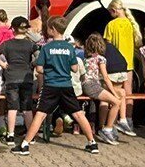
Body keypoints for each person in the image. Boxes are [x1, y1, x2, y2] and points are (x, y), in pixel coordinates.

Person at [15, 16, 98, 156]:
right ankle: (93, 143)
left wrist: (49, 69)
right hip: (66, 85)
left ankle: (25, 145)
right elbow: (75, 68)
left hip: (51, 86)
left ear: (53, 30)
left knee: (40, 114)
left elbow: (39, 69)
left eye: (48, 28)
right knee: (78, 113)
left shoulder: (47, 48)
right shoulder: (69, 47)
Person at [0, 16, 37, 147]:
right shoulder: (31, 44)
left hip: (11, 78)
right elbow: (38, 58)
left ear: (13, 29)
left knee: (12, 108)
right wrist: (32, 65)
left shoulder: (7, 44)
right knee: (27, 109)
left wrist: (4, 65)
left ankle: (10, 135)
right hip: (26, 79)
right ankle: (30, 136)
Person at [103, 0, 141, 136]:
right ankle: (128, 120)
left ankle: (112, 122)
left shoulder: (111, 25)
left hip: (115, 64)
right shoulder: (131, 24)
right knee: (128, 92)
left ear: (114, 11)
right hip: (128, 63)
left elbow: (107, 44)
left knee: (114, 92)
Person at [81, 34, 124, 145]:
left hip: (86, 85)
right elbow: (105, 78)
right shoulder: (101, 59)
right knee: (116, 102)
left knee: (114, 98)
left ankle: (107, 127)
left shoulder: (86, 59)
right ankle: (107, 129)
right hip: (93, 86)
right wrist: (114, 93)